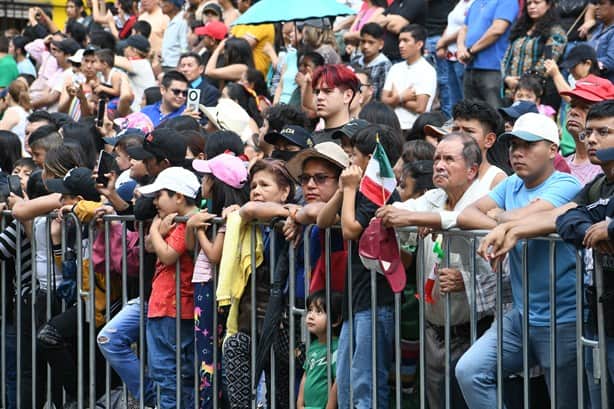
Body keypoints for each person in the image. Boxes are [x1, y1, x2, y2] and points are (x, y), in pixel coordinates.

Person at [454, 113, 582, 409]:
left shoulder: (567, 184)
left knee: (566, 402)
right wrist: (502, 225)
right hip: (522, 316)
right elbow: (466, 215)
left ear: (553, 150)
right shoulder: (511, 184)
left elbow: (526, 217)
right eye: (513, 145)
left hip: (563, 317)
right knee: (469, 370)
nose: (517, 152)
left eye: (528, 144)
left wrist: (499, 219)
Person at [376, 132, 499, 409]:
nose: (439, 165)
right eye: (436, 159)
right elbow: (391, 211)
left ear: (471, 170)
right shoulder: (432, 198)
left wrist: (466, 281)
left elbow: (502, 266)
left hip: (474, 330)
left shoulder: (485, 200)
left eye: (448, 159)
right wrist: (415, 215)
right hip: (433, 330)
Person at [317, 124, 402, 409]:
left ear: (371, 159)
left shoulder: (381, 193)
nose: (350, 163)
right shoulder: (358, 191)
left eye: (354, 156)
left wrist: (351, 189)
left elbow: (351, 230)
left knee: (367, 383)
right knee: (346, 379)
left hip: (376, 300)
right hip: (358, 300)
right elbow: (323, 221)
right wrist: (344, 190)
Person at [555, 105, 614, 409]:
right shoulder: (597, 186)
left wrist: (612, 227)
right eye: (588, 132)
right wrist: (594, 230)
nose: (591, 139)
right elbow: (567, 219)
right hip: (602, 316)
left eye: (603, 132)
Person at [187, 153, 249, 409]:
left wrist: (200, 229)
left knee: (209, 354)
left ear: (216, 183)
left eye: (206, 177)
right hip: (202, 285)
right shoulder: (209, 213)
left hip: (212, 288)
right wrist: (194, 225)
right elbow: (191, 249)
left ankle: (211, 402)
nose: (202, 182)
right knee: (204, 350)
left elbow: (213, 254)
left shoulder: (226, 219)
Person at [501, 0, 567, 102]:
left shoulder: (556, 32)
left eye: (537, 2)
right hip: (511, 91)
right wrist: (506, 78)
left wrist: (522, 83)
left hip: (537, 93)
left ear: (548, 5)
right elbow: (506, 58)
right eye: (529, 3)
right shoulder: (520, 30)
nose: (531, 6)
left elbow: (547, 63)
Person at [457, 0, 519, 108]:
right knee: (470, 114)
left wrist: (471, 51)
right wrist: (461, 48)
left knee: (496, 114)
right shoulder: (475, 3)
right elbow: (464, 29)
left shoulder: (507, 1)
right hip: (470, 67)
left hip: (493, 68)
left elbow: (497, 30)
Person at [382, 24, 436, 134]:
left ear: (419, 44)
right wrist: (403, 97)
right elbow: (384, 100)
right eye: (400, 41)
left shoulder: (427, 70)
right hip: (391, 126)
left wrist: (396, 98)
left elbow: (420, 107)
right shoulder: (395, 68)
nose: (401, 45)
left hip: (413, 128)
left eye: (406, 41)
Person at [297, 290, 343, 409]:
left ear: (336, 320)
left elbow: (338, 380)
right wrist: (300, 403)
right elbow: (306, 374)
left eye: (319, 312)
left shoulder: (337, 347)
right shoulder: (314, 346)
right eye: (310, 310)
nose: (311, 316)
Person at [451, 99, 509, 184]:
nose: (459, 136)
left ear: (489, 140)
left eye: (469, 131)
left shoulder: (498, 181)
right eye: (455, 129)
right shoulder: (443, 171)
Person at [435, 0, 474, 116]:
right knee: (453, 98)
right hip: (450, 56)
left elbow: (465, 28)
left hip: (462, 56)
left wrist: (442, 42)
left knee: (464, 98)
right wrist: (442, 45)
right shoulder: (460, 3)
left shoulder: (475, 3)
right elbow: (450, 25)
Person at [309, 64, 360, 144]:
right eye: (317, 92)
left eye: (327, 91)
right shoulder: (311, 140)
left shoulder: (359, 138)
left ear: (347, 96)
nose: (319, 97)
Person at [230, 0, 275, 77]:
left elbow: (242, 47)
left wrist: (232, 43)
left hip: (254, 79)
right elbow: (228, 44)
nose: (237, 1)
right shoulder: (242, 21)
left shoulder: (262, 22)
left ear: (247, 2)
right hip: (237, 75)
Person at [114, 35, 157, 113]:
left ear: (134, 50)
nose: (124, 49)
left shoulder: (141, 64)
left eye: (127, 47)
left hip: (140, 111)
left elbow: (111, 59)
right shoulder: (143, 63)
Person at [350, 23, 392, 101]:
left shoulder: (385, 66)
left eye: (371, 42)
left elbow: (382, 96)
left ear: (381, 44)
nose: (366, 46)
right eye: (363, 41)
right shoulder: (355, 61)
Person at [0, 80, 31, 154]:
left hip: (16, 155)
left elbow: (1, 133)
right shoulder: (27, 111)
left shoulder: (12, 111)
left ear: (8, 95)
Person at [588, 0, 614, 83]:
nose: (597, 7)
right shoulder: (598, 28)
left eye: (602, 3)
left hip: (609, 87)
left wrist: (586, 66)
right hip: (595, 83)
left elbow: (611, 61)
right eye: (596, 4)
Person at [160, 0, 189, 71]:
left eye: (165, 2)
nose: (161, 5)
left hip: (175, 67)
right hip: (166, 64)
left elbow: (184, 48)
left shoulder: (182, 21)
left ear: (173, 5)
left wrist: (180, 67)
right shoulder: (172, 20)